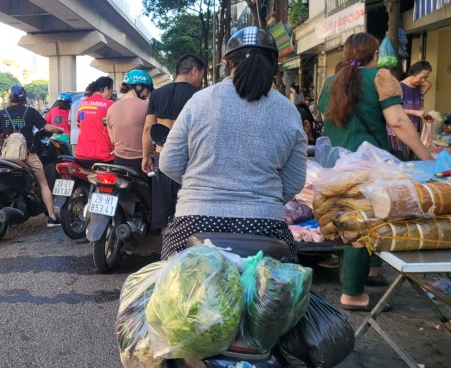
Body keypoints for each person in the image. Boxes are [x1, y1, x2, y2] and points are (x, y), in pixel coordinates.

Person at [159, 27, 307, 264]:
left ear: (227, 63)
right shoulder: (288, 111)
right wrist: (263, 196)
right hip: (265, 226)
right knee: (283, 296)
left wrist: (200, 186)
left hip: (195, 221)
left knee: (169, 297)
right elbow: (295, 181)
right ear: (274, 64)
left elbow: (169, 162)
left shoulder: (199, 101)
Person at [317, 32, 432, 311]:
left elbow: (326, 117)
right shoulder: (381, 77)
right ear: (375, 55)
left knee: (349, 220)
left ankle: (368, 272)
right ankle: (352, 294)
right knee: (363, 224)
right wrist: (426, 158)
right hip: (367, 165)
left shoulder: (330, 82)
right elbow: (399, 122)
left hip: (334, 164)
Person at [141, 54, 206, 232]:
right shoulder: (200, 96)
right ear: (194, 71)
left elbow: (148, 128)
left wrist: (146, 156)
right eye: (201, 74)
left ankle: (167, 253)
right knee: (189, 213)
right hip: (190, 160)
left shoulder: (157, 94)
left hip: (163, 159)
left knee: (165, 216)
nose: (201, 79)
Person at [0, 85, 64, 227]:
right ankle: (52, 217)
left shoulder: (2, 113)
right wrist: (59, 129)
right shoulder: (30, 112)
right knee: (43, 184)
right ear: (24, 98)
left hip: (7, 156)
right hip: (28, 155)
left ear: (9, 98)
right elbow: (48, 128)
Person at [106, 70, 154, 175]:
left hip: (119, 161)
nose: (147, 94)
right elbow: (149, 132)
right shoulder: (147, 106)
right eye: (147, 90)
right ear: (138, 87)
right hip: (142, 162)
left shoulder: (111, 108)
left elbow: (113, 140)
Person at [387, 61, 433, 160]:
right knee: (401, 162)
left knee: (410, 162)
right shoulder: (398, 87)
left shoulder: (418, 89)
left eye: (426, 78)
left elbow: (428, 85)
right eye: (422, 77)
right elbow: (393, 111)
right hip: (397, 133)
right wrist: (415, 112)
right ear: (414, 73)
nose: (423, 80)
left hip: (411, 131)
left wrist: (424, 116)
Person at [74, 76, 114, 168]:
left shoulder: (83, 103)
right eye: (111, 92)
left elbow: (79, 124)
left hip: (82, 153)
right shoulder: (109, 104)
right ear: (106, 89)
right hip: (103, 155)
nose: (110, 95)